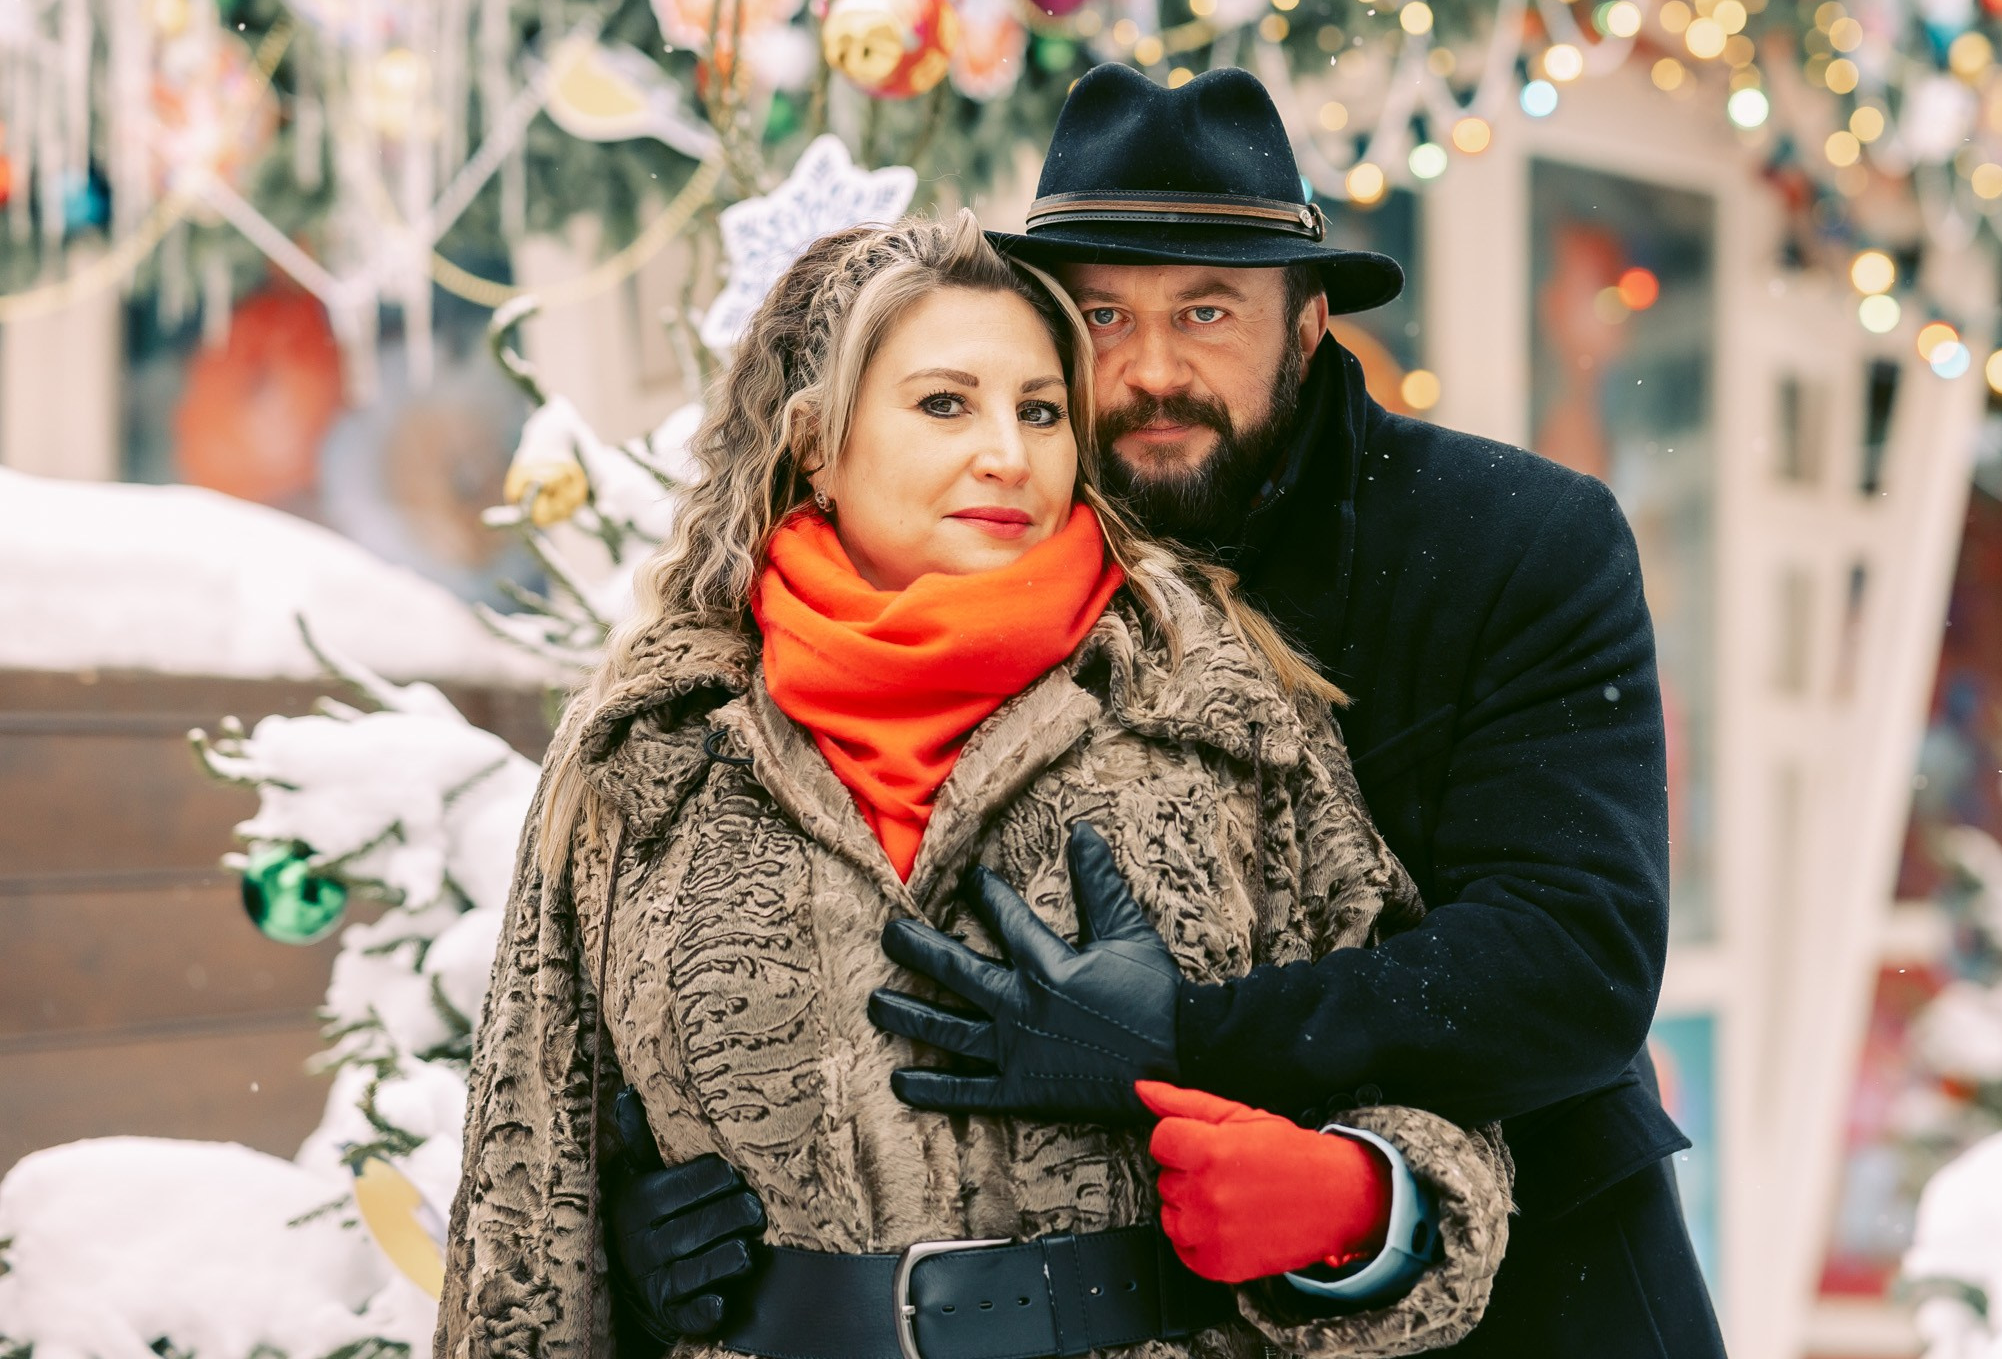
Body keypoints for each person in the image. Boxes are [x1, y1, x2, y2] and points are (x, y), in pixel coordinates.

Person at [611, 67, 1725, 1356]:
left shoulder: (1513, 541)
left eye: (1207, 311)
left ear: (1308, 323)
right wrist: (659, 1201)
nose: (1151, 370)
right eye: (1103, 316)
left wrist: (1188, 1041)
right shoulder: (991, 548)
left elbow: (1573, 960)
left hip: (1541, 1280)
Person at [435, 215, 1514, 1359]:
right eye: (946, 403)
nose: (1008, 453)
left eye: (1041, 411)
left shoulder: (1214, 712)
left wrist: (1359, 1205)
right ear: (816, 442)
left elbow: (1426, 1085)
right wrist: (624, 1249)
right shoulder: (651, 749)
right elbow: (522, 1196)